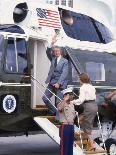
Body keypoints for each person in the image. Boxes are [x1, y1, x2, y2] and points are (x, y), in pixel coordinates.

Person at [71, 73, 98, 151]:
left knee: (87, 125)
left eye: (79, 79)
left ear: (81, 79)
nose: (78, 80)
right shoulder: (91, 86)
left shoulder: (82, 88)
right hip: (94, 105)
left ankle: (92, 145)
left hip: (88, 106)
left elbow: (81, 100)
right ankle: (86, 138)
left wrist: (72, 101)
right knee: (80, 120)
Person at [42, 35, 69, 115]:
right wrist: (52, 43)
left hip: (60, 84)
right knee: (45, 98)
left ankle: (58, 119)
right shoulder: (53, 58)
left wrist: (59, 83)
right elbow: (48, 52)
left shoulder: (65, 61)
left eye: (57, 51)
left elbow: (64, 73)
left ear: (60, 51)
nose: (56, 52)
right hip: (51, 82)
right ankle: (53, 111)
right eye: (55, 51)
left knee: (58, 102)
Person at [57, 87, 76, 155]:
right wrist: (64, 100)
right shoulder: (61, 103)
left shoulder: (72, 104)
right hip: (65, 127)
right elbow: (59, 109)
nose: (73, 96)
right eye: (71, 94)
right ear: (66, 95)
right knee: (64, 146)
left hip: (71, 126)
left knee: (70, 145)